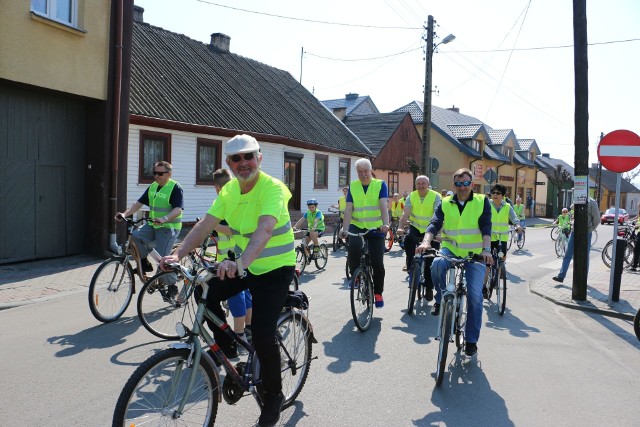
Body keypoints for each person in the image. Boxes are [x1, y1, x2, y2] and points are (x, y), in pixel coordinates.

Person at [160, 134, 295, 427]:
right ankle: (229, 348)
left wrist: (240, 262)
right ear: (229, 163)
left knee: (261, 334)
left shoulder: (273, 188)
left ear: (259, 158)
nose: (243, 163)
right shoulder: (230, 190)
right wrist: (179, 253)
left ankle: (273, 397)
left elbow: (265, 229)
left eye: (248, 156)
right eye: (236, 158)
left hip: (274, 268)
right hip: (244, 265)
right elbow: (205, 224)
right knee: (203, 292)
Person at [415, 167, 493, 357]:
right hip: (450, 248)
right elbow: (435, 223)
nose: (462, 187)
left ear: (472, 184)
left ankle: (471, 340)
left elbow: (486, 226)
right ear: (454, 185)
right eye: (458, 183)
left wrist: (487, 250)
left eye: (466, 183)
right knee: (436, 264)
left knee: (475, 296)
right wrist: (426, 241)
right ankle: (441, 299)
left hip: (475, 254)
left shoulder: (482, 201)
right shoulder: (445, 202)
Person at [115, 161, 183, 274]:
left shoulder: (175, 187)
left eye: (160, 174)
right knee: (135, 237)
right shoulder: (153, 186)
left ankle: (171, 286)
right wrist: (124, 214)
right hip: (152, 225)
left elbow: (178, 209)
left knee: (164, 261)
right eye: (155, 173)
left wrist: (163, 219)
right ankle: (144, 263)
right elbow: (138, 203)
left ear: (169, 174)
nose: (156, 176)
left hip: (168, 228)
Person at [212, 168, 252, 354]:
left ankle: (239, 336)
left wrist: (210, 225)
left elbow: (232, 230)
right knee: (245, 295)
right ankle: (248, 330)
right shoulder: (235, 198)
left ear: (216, 188)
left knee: (236, 297)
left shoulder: (229, 201)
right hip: (236, 256)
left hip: (233, 258)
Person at [341, 158, 390, 308]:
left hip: (376, 227)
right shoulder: (353, 186)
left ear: (370, 170)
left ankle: (378, 293)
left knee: (377, 262)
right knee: (353, 248)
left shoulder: (380, 185)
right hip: (357, 226)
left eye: (365, 171)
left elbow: (383, 205)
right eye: (360, 172)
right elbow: (348, 208)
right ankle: (356, 276)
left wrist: (385, 224)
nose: (363, 174)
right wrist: (345, 228)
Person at [398, 175, 441, 300]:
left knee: (430, 261)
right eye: (418, 184)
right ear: (415, 185)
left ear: (428, 184)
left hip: (431, 229)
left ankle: (428, 287)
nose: (421, 186)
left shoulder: (435, 196)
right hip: (416, 227)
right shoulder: (412, 196)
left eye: (423, 183)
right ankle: (410, 264)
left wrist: (437, 233)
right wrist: (400, 227)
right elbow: (405, 214)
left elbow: (437, 215)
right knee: (408, 240)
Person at [483, 184, 521, 298]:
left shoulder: (507, 206)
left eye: (498, 193)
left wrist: (518, 226)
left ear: (503, 195)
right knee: (488, 263)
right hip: (489, 237)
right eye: (493, 193)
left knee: (502, 259)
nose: (495, 195)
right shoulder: (487, 204)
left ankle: (499, 271)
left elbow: (514, 218)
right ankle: (484, 286)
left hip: (502, 237)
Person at [552, 197, 600, 283]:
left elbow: (597, 219)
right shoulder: (577, 199)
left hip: (586, 233)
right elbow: (572, 211)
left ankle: (583, 279)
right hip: (574, 231)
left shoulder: (592, 203)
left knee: (585, 256)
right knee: (567, 254)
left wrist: (590, 229)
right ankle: (561, 276)